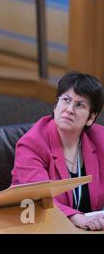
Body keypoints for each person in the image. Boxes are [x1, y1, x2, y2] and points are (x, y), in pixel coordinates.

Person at [11, 71, 104, 231]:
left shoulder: (100, 139)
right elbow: (39, 198)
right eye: (66, 100)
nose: (69, 109)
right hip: (37, 227)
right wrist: (77, 218)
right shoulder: (32, 144)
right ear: (56, 106)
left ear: (91, 118)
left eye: (79, 104)